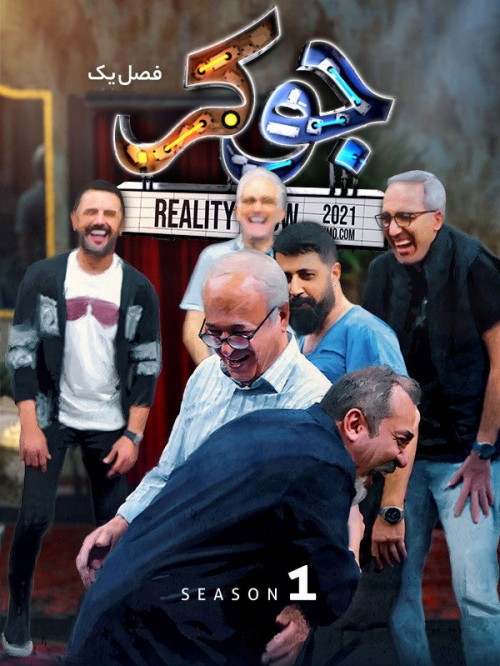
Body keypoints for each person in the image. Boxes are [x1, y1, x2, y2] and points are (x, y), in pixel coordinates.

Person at [74, 249, 331, 665]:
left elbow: (316, 531)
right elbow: (169, 473)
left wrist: (303, 611)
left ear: (282, 316)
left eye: (240, 334)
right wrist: (121, 523)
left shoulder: (313, 402)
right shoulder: (207, 376)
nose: (225, 350)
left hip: (252, 598)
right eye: (214, 334)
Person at [65, 366, 420, 666]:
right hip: (153, 639)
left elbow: (297, 556)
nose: (403, 459)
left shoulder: (263, 422)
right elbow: (332, 586)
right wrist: (353, 536)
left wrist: (302, 606)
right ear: (355, 424)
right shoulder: (323, 465)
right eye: (401, 440)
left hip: (110, 618)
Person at [2, 180, 162, 658]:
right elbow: (21, 351)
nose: (99, 221)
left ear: (120, 225)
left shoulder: (138, 288)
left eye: (109, 213)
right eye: (91, 211)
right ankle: (18, 611)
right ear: (75, 220)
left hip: (111, 423)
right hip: (50, 416)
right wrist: (29, 425)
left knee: (112, 528)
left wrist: (134, 434)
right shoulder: (43, 277)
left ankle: (105, 620)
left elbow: (147, 364)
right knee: (34, 517)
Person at [364, 170, 500, 666]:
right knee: (398, 590)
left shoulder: (476, 266)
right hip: (402, 458)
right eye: (386, 218)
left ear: (436, 218)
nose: (394, 229)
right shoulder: (381, 273)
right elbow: (375, 370)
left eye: (405, 217)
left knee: (476, 593)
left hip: (466, 460)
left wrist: (483, 452)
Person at [274, 220, 414, 664]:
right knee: (306, 619)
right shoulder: (299, 335)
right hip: (314, 510)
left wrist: (390, 511)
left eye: (306, 275)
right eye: (286, 276)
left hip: (361, 507)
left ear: (334, 273)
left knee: (347, 628)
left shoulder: (368, 334)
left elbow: (406, 425)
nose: (295, 288)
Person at [180, 166, 286, 364]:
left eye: (267, 201)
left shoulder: (290, 262)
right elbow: (193, 329)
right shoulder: (213, 258)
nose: (257, 208)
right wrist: (215, 376)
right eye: (249, 200)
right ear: (237, 211)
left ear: (281, 213)